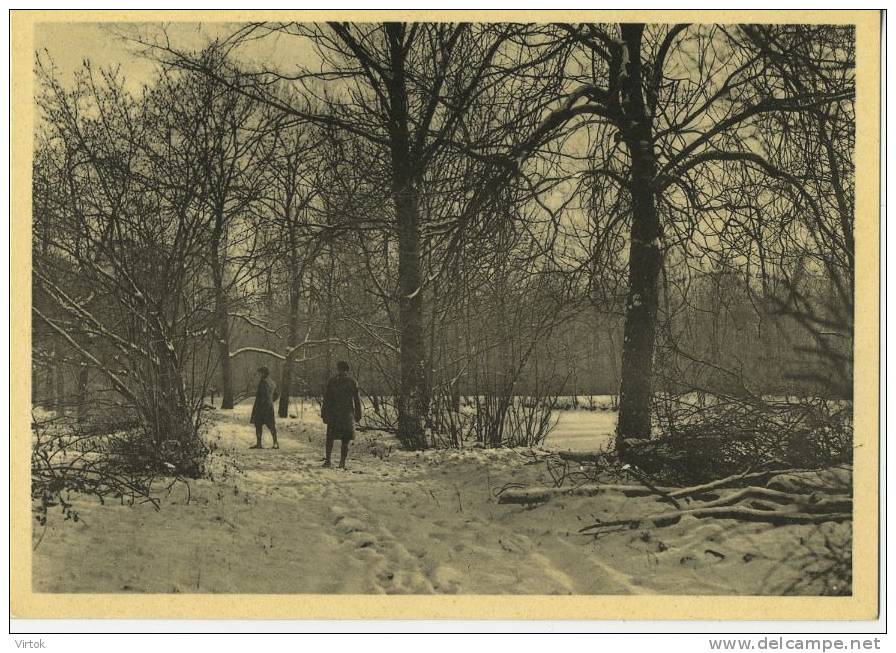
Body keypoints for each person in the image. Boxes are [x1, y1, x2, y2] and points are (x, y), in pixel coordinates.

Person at [321, 361, 362, 468]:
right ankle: (331, 461)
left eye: (342, 369)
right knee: (335, 438)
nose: (341, 371)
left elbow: (357, 400)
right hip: (340, 414)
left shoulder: (347, 382)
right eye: (340, 369)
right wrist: (324, 413)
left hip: (342, 414)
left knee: (343, 438)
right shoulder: (338, 381)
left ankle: (338, 461)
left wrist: (358, 413)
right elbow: (327, 399)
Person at [249, 366, 280, 449]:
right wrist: (270, 401)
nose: (259, 374)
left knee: (260, 424)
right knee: (270, 425)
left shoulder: (264, 382)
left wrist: (264, 403)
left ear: (264, 373)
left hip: (261, 407)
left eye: (260, 373)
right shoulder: (272, 383)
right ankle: (275, 442)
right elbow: (276, 395)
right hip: (268, 407)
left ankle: (261, 443)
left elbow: (262, 396)